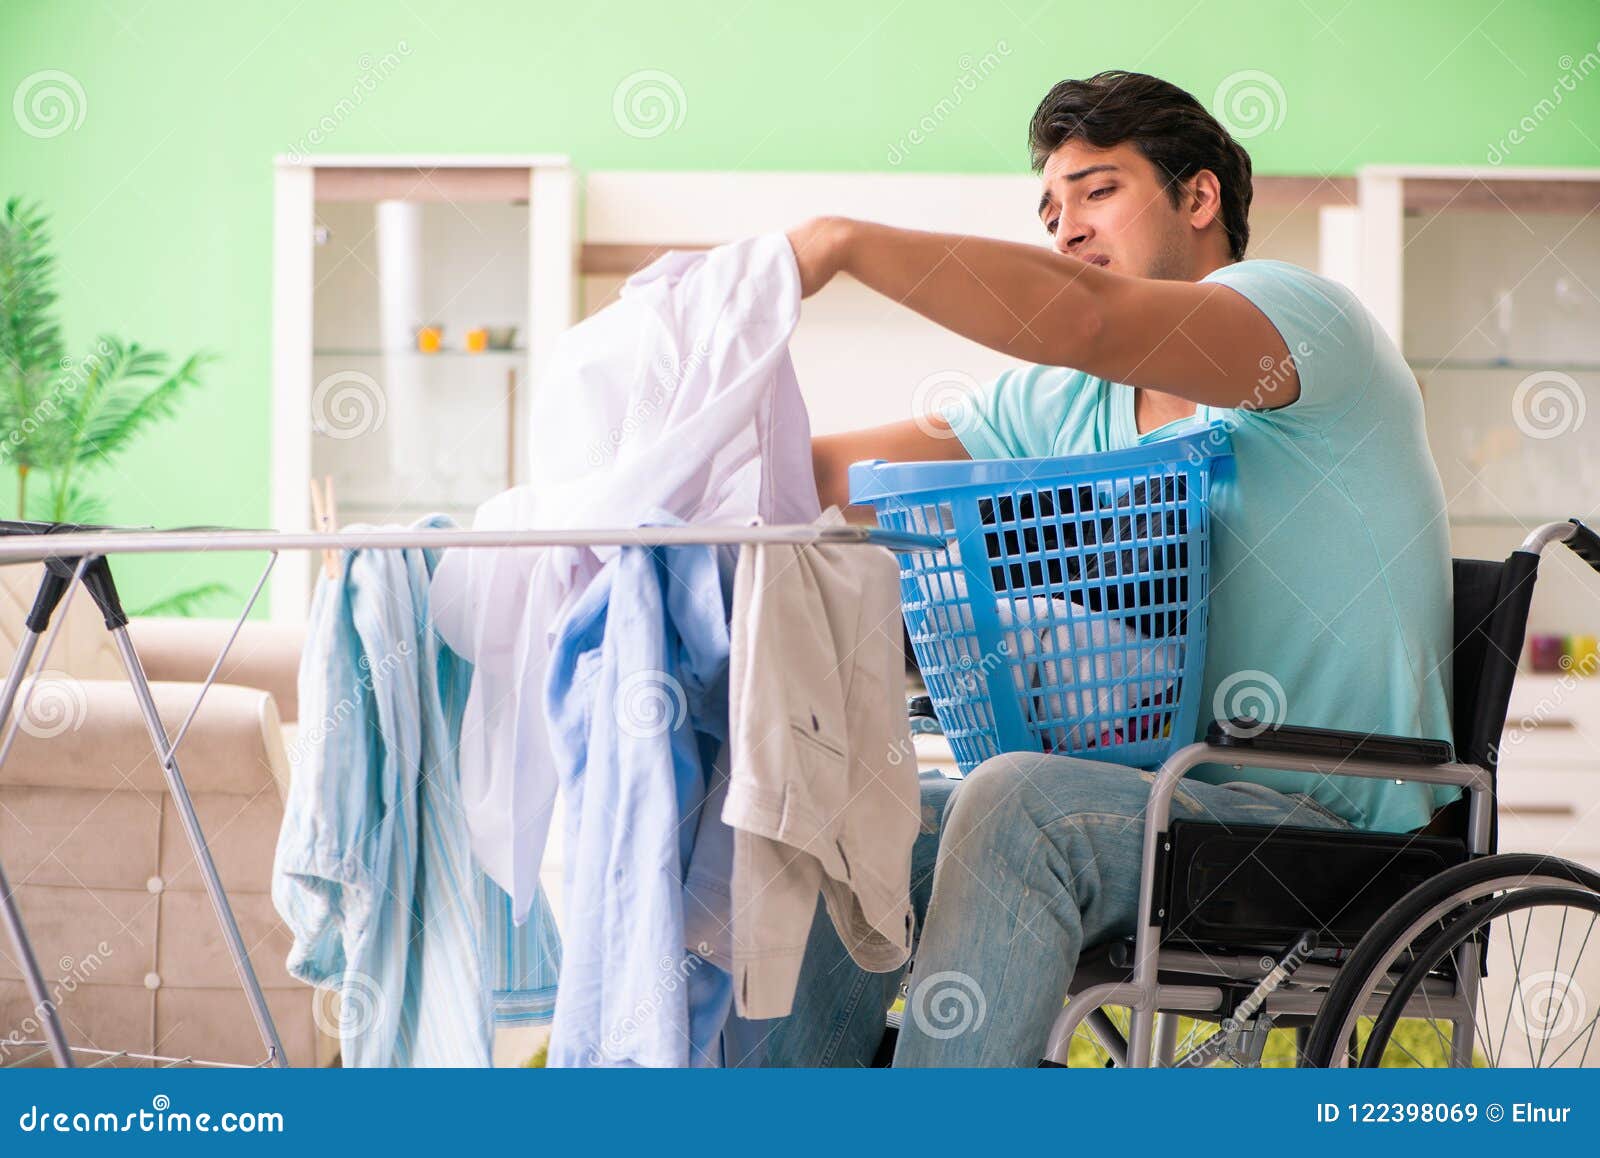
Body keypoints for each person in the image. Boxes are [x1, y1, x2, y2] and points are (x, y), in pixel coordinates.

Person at [764, 69, 1458, 1067]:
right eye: (1050, 209)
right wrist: (655, 462)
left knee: (1012, 804)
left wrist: (842, 243)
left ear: (1199, 196)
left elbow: (1084, 314)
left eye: (1097, 190)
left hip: (1328, 820)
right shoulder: (1071, 401)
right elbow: (836, 476)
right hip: (1172, 799)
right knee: (851, 814)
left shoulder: (1295, 320)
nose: (1067, 226)